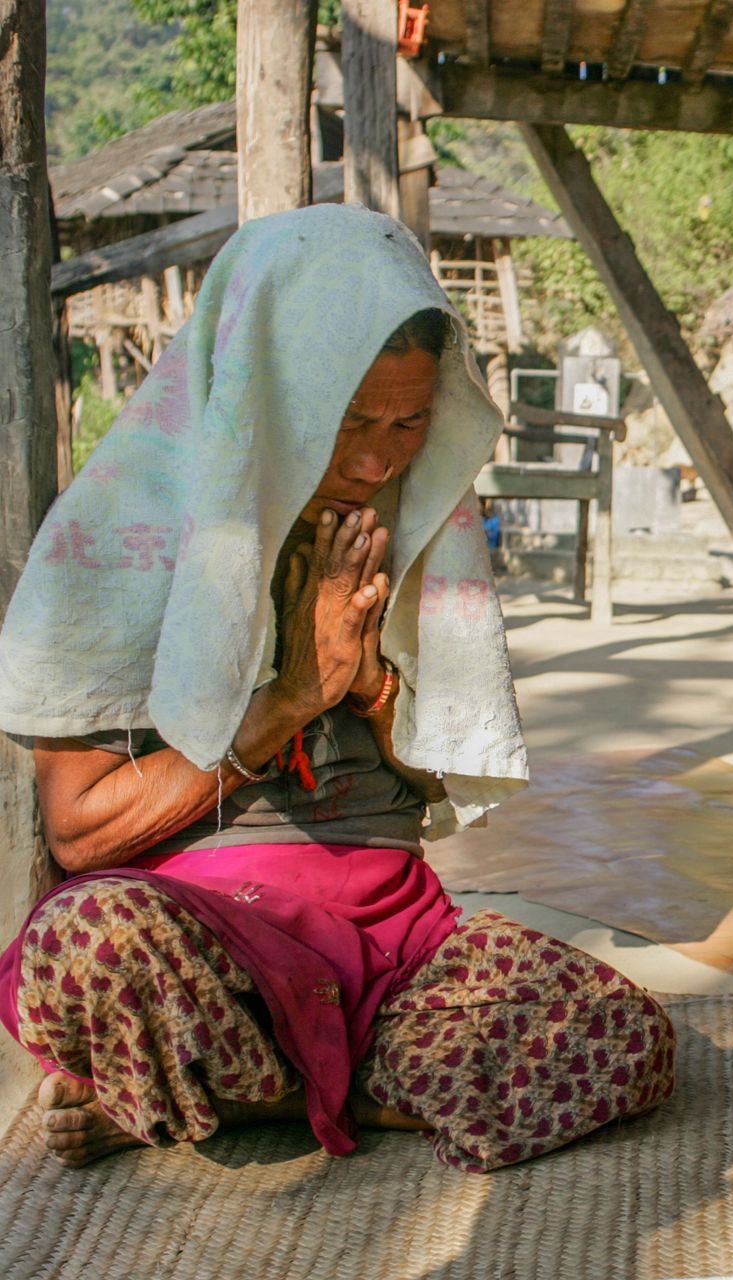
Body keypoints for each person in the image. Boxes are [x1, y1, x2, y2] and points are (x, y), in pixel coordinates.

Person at [0, 204, 676, 1174]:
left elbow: (436, 778)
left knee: (617, 1035)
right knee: (85, 946)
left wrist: (365, 688)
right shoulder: (120, 537)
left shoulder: (417, 512)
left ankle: (237, 1096)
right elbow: (81, 832)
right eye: (349, 420)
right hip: (193, 936)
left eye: (407, 423)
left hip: (387, 937)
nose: (376, 460)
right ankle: (301, 1078)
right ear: (269, 396)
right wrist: (288, 699)